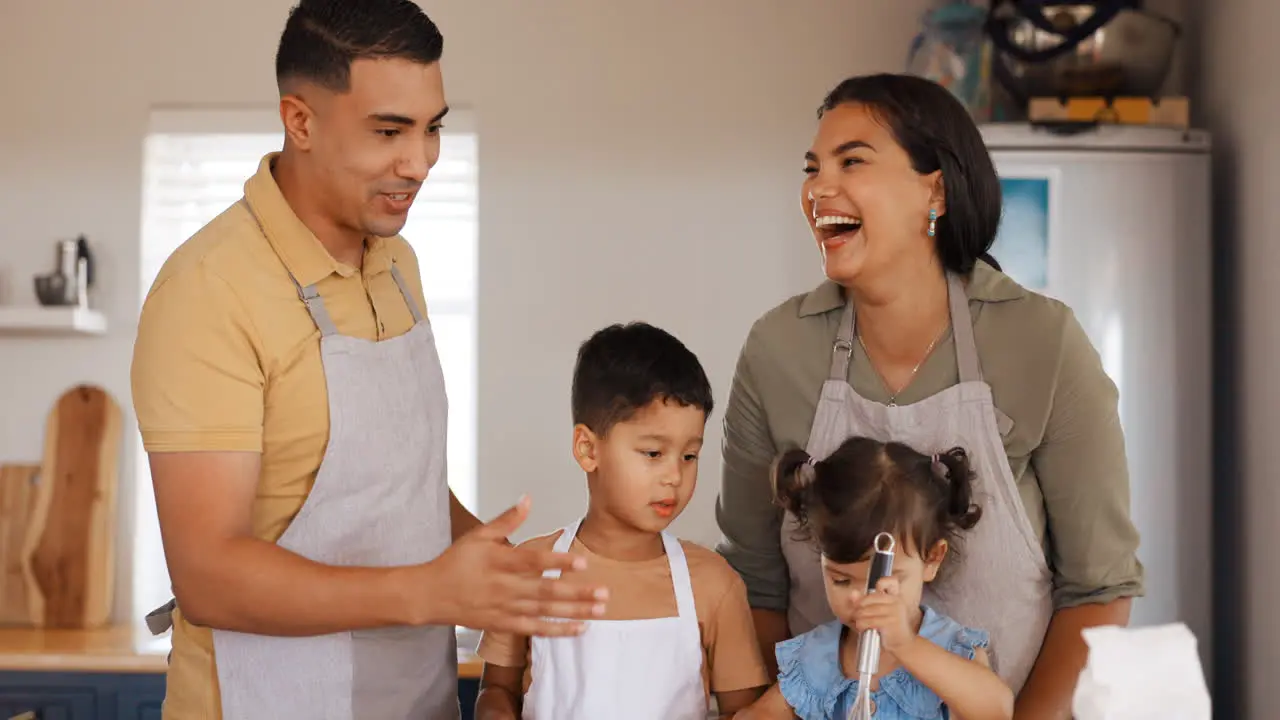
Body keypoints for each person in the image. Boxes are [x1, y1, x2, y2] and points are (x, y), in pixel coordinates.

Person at [130, 2, 606, 718]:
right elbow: (208, 573)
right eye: (389, 131)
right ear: (301, 122)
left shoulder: (397, 263)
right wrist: (430, 592)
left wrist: (497, 570)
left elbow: (396, 485)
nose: (418, 162)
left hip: (417, 698)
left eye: (432, 127)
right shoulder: (209, 290)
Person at [714, 72, 1145, 718]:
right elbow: (754, 581)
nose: (816, 189)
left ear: (934, 189)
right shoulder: (778, 351)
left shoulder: (1041, 342)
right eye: (812, 168)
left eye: (851, 161)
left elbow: (1099, 587)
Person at [474, 322, 770, 720]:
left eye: (689, 455)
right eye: (652, 453)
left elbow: (747, 713)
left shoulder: (715, 585)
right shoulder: (530, 570)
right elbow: (496, 689)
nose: (674, 476)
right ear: (587, 449)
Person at [737, 437, 1014, 720]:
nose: (862, 599)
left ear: (931, 559)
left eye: (885, 583)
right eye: (841, 581)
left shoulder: (952, 649)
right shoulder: (815, 657)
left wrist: (906, 645)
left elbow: (997, 711)